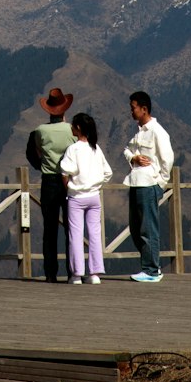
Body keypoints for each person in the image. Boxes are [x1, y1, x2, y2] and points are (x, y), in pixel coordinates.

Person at [123, 90, 174, 283]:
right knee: (136, 228)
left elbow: (167, 159)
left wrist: (159, 183)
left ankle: (152, 269)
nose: (131, 111)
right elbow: (127, 149)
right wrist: (133, 157)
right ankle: (149, 265)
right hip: (136, 182)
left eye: (133, 107)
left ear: (144, 109)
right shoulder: (139, 132)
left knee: (148, 228)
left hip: (148, 184)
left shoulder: (157, 132)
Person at [26, 87, 74, 282]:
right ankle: (73, 271)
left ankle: (50, 273)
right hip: (70, 181)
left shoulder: (40, 131)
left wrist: (42, 165)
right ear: (64, 109)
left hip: (49, 181)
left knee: (50, 229)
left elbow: (31, 153)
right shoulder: (72, 130)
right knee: (72, 228)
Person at [60, 113, 112, 285]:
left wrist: (69, 186)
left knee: (75, 235)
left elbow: (65, 172)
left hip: (76, 197)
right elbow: (108, 173)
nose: (71, 127)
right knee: (95, 234)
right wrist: (95, 184)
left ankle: (77, 275)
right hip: (94, 196)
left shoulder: (73, 149)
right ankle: (95, 273)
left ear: (79, 128)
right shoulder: (95, 148)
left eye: (73, 125)